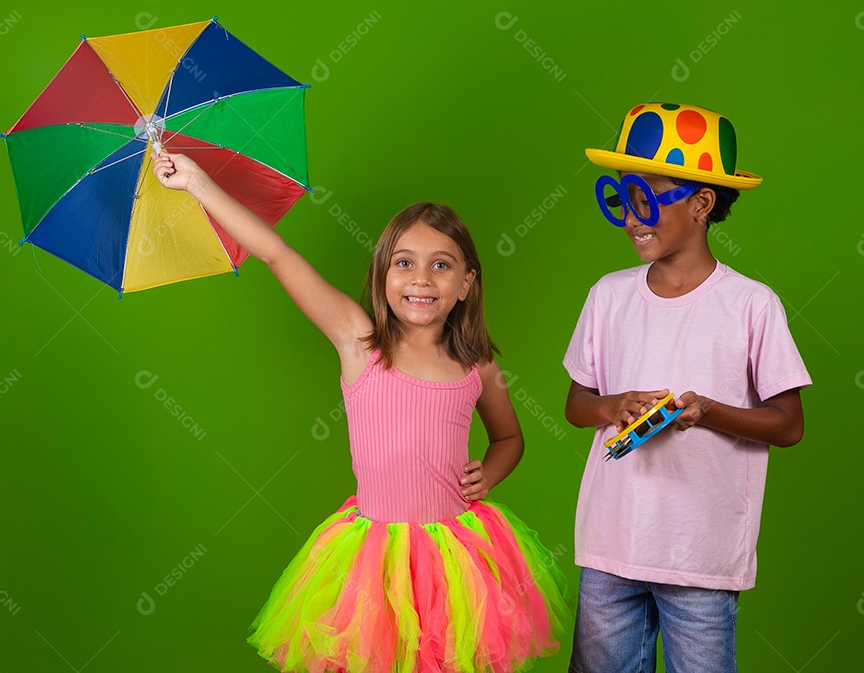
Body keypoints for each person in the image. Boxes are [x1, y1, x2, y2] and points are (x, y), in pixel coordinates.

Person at [152, 151, 567, 673]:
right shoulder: (358, 341)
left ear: (466, 284)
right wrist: (198, 184)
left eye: (441, 265)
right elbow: (278, 254)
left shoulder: (476, 364)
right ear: (381, 274)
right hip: (374, 556)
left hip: (454, 557)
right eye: (404, 263)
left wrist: (490, 473)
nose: (421, 279)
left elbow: (509, 438)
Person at [563, 102, 811, 673]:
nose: (632, 217)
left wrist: (707, 412)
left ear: (701, 203)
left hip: (700, 555)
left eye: (646, 199)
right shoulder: (608, 295)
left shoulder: (751, 304)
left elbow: (789, 425)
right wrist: (614, 405)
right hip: (611, 546)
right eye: (622, 197)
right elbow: (577, 405)